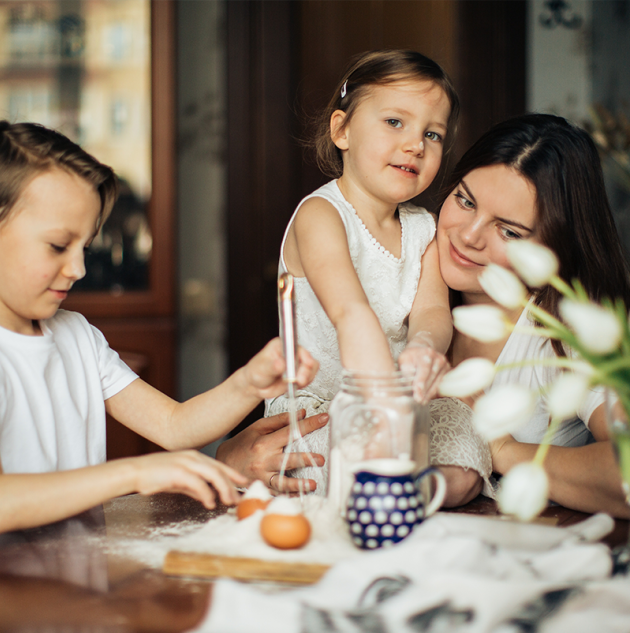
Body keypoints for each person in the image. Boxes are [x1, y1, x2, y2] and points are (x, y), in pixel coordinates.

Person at [0, 121, 319, 534]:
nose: (78, 268)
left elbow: (174, 426)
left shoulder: (76, 336)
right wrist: (133, 474)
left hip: (76, 581)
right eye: (58, 246)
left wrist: (249, 384)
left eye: (85, 247)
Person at [264, 50, 459, 492]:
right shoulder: (320, 215)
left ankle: (420, 486)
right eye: (395, 122)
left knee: (463, 429)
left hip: (394, 403)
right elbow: (351, 313)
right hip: (321, 403)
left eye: (433, 133)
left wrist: (425, 347)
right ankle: (401, 487)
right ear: (342, 129)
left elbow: (433, 312)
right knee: (338, 461)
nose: (416, 144)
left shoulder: (423, 228)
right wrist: (385, 407)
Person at [431, 113, 630, 517]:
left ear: (553, 247)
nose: (469, 236)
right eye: (465, 200)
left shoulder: (569, 330)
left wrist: (503, 449)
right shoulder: (403, 282)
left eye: (509, 231)